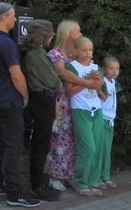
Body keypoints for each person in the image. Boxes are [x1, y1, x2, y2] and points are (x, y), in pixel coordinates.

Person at [0, 2, 41, 208]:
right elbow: (16, 74)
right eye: (13, 15)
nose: (16, 19)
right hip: (9, 101)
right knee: (14, 146)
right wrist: (25, 96)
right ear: (3, 18)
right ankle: (14, 193)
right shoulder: (7, 44)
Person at [44, 20, 103, 191]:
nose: (81, 34)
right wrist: (87, 82)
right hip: (62, 101)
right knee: (60, 138)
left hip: (80, 103)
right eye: (77, 31)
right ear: (68, 33)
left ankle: (70, 174)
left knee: (73, 139)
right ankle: (55, 175)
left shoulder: (77, 56)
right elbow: (62, 73)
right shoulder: (56, 54)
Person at [20, 20, 62, 201]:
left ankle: (39, 182)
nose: (52, 37)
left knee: (42, 143)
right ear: (42, 36)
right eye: (49, 34)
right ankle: (36, 185)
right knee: (41, 143)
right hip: (41, 99)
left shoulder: (37, 53)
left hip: (42, 99)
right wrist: (57, 82)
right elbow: (53, 80)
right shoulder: (36, 55)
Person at [63, 36, 105, 197]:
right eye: (84, 50)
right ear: (76, 50)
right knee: (88, 148)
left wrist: (98, 81)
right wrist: (87, 81)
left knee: (98, 148)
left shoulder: (96, 67)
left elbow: (99, 87)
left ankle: (93, 182)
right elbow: (70, 91)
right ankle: (81, 181)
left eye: (90, 50)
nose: (88, 53)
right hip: (80, 110)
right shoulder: (71, 67)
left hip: (97, 109)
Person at [97, 55, 121, 189]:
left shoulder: (114, 83)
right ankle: (97, 177)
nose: (114, 71)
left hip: (110, 119)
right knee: (100, 149)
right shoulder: (103, 81)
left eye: (117, 68)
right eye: (111, 68)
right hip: (102, 118)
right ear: (104, 69)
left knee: (107, 149)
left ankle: (105, 176)